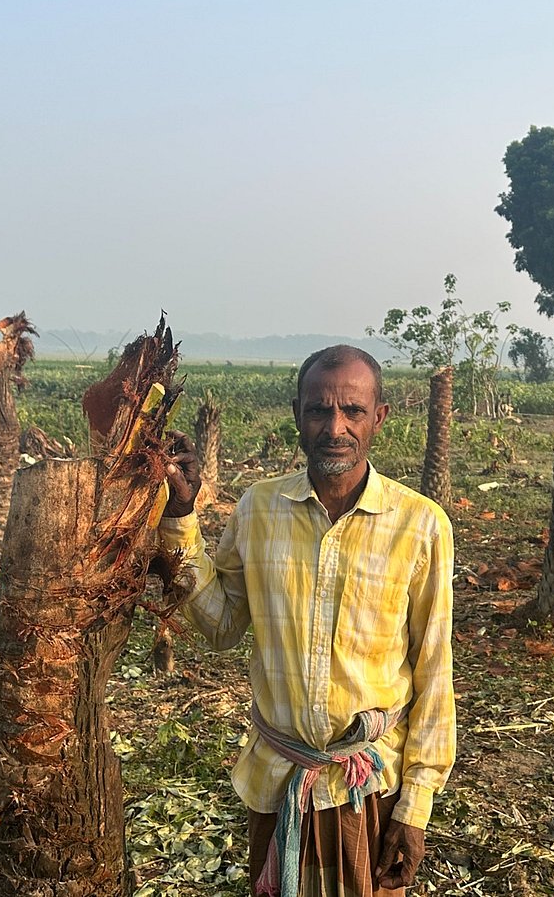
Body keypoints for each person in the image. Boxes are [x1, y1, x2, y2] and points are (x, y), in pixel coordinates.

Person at [159, 345, 456, 897]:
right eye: (319, 410)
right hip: (278, 783)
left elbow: (434, 671)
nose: (335, 427)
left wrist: (415, 806)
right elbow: (221, 625)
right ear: (297, 414)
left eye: (353, 411)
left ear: (379, 417)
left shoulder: (421, 525)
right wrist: (179, 517)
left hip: (369, 788)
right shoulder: (259, 508)